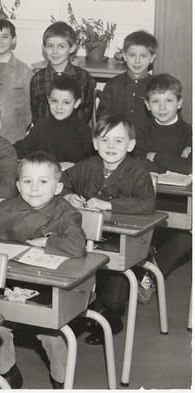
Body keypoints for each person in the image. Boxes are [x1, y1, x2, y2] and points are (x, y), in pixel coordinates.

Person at [0, 151, 86, 388]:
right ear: (18, 186)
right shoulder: (7, 208)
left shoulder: (66, 213)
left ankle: (62, 380)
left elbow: (77, 245)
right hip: (5, 283)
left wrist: (46, 242)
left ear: (58, 187)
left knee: (52, 335)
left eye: (43, 181)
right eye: (27, 181)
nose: (34, 188)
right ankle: (7, 371)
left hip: (47, 287)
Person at [61, 114, 155, 344]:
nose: (110, 146)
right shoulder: (87, 166)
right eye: (104, 140)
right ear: (95, 143)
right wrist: (69, 195)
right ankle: (82, 311)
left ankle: (110, 316)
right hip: (86, 240)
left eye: (118, 141)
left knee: (113, 299)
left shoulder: (138, 171)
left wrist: (109, 205)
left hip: (121, 243)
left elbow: (147, 204)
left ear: (130, 145)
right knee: (72, 269)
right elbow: (61, 180)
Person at [133, 74, 192, 303]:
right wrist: (173, 160)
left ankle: (151, 273)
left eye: (168, 101)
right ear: (147, 105)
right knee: (139, 233)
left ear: (179, 103)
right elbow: (138, 163)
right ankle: (143, 266)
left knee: (186, 239)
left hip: (178, 203)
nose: (162, 107)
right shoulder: (142, 130)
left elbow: (188, 166)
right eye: (155, 102)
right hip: (147, 199)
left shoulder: (188, 132)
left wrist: (155, 156)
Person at [14, 76, 95, 164]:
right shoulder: (41, 127)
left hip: (74, 172)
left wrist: (76, 167)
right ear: (48, 100)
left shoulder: (84, 131)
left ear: (76, 103)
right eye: (54, 101)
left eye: (66, 102)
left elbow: (94, 162)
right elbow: (20, 150)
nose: (59, 107)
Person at [30, 21, 94, 124]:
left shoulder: (84, 78)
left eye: (61, 46)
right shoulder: (37, 79)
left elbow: (85, 114)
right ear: (44, 48)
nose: (55, 52)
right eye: (50, 46)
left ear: (72, 48)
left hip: (74, 132)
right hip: (45, 132)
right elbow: (37, 115)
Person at [96, 30, 157, 132]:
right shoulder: (113, 85)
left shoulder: (157, 87)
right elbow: (103, 118)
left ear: (152, 58)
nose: (137, 61)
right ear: (124, 56)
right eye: (132, 55)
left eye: (143, 56)